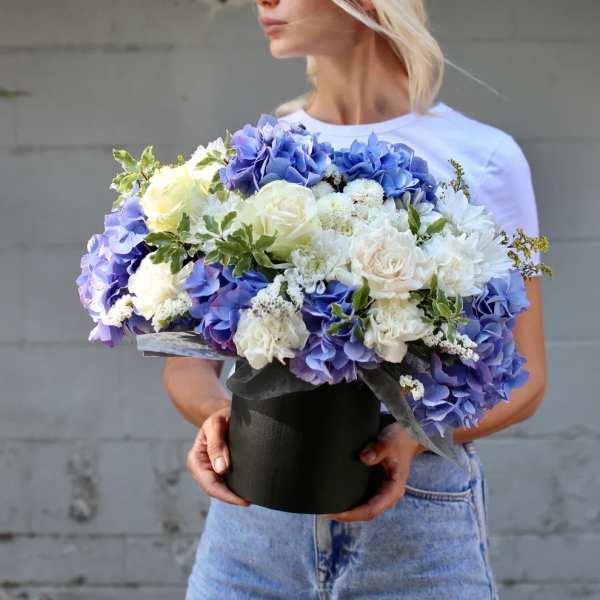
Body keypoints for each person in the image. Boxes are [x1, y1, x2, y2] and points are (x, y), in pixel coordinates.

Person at [164, 1, 548, 598]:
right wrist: (220, 420)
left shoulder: (486, 157)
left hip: (418, 534)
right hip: (252, 532)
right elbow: (187, 360)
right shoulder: (257, 158)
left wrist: (411, 436)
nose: (264, 1)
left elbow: (527, 379)